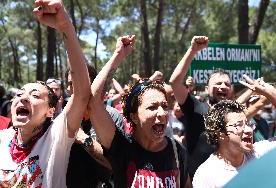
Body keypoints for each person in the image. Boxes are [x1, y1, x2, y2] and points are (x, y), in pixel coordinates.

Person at [0, 1, 90, 187]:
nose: (23, 97)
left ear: (50, 111)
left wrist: (65, 27)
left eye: (35, 95)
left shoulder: (56, 137)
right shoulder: (0, 138)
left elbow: (82, 94)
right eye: (20, 93)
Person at [88, 35, 191, 187]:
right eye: (152, 107)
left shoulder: (177, 151)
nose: (162, 113)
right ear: (134, 117)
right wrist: (118, 55)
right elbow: (93, 102)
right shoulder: (122, 146)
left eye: (164, 106)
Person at [170, 36, 233, 179]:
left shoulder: (234, 115)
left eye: (226, 84)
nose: (222, 86)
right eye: (217, 83)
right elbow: (175, 83)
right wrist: (193, 51)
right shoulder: (196, 108)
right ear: (207, 88)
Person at [192, 100, 276, 188]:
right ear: (220, 133)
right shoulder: (206, 175)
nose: (249, 130)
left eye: (248, 123)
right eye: (239, 125)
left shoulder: (259, 153)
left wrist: (271, 93)